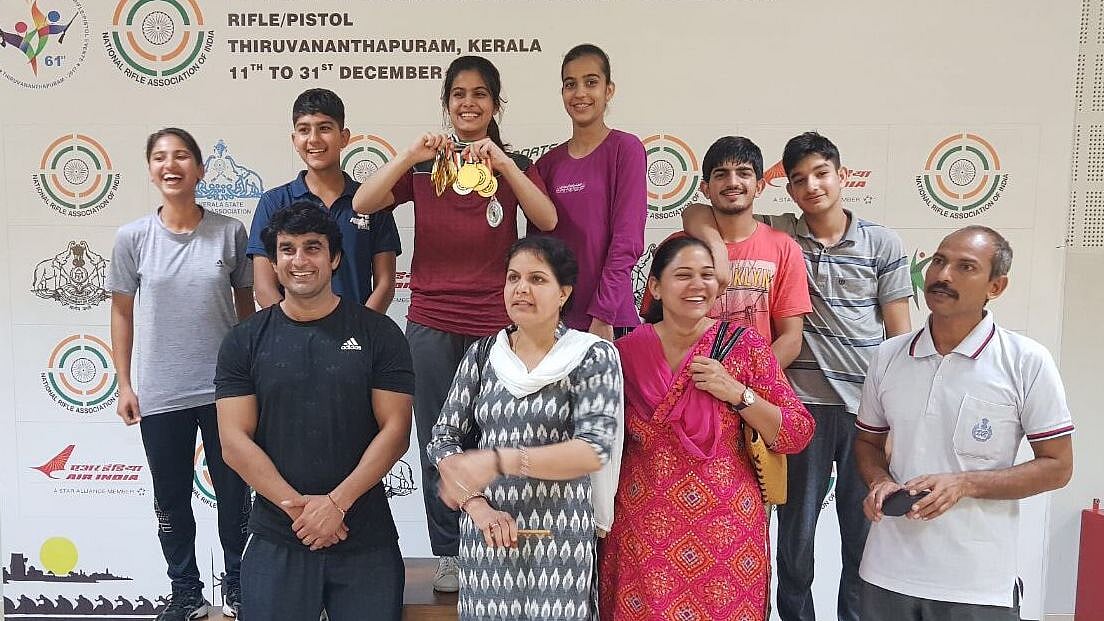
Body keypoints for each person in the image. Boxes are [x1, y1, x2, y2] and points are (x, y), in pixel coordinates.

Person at [352, 55, 558, 591]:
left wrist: (506, 165)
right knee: (437, 440)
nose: (469, 103)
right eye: (459, 94)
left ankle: (497, 541)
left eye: (481, 94)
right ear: (447, 104)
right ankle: (448, 550)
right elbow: (363, 200)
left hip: (497, 325)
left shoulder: (510, 164)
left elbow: (548, 219)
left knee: (499, 436)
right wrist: (409, 155)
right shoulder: (426, 167)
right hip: (431, 322)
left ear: (495, 104)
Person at [854, 226, 1074, 620]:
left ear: (996, 285)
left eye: (965, 267)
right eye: (938, 261)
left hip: (977, 584)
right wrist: (878, 481)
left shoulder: (1025, 361)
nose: (943, 275)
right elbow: (867, 443)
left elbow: (1058, 467)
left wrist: (965, 484)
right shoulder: (888, 356)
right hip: (885, 575)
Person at [215, 202, 414, 621]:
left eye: (313, 248)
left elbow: (395, 431)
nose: (300, 260)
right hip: (277, 537)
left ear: (334, 257)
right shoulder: (244, 340)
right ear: (273, 261)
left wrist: (337, 505)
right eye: (287, 249)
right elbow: (234, 443)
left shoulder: (379, 333)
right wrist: (302, 511)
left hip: (366, 540)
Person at [601, 236, 815, 621]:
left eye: (707, 276)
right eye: (683, 275)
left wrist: (739, 393)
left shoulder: (743, 346)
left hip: (727, 533)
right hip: (646, 534)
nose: (698, 285)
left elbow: (796, 432)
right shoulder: (624, 354)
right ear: (655, 287)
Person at [751, 132, 913, 621]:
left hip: (866, 414)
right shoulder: (781, 236)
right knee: (795, 536)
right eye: (798, 180)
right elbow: (704, 217)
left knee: (861, 534)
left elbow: (900, 336)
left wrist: (894, 417)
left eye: (820, 174)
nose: (811, 186)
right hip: (801, 408)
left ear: (841, 176)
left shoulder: (882, 243)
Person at [426, 235, 621, 620]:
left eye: (537, 279)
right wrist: (476, 505)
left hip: (561, 540)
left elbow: (593, 449)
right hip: (488, 537)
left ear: (564, 292)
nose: (521, 289)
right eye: (513, 278)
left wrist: (499, 461)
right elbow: (442, 440)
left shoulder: (591, 355)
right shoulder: (484, 354)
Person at [107, 128, 253, 620]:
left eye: (183, 156)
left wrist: (255, 380)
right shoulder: (132, 238)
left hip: (225, 392)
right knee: (170, 499)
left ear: (201, 169)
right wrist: (125, 384)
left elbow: (247, 311)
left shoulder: (231, 232)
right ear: (150, 169)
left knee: (235, 496)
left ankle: (238, 587)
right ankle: (185, 593)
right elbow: (123, 314)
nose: (172, 166)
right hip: (161, 389)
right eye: (161, 158)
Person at [660, 135, 811, 368]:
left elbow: (790, 339)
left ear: (760, 186)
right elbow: (658, 328)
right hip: (686, 388)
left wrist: (741, 383)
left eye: (743, 173)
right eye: (721, 174)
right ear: (705, 188)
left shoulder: (784, 248)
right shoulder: (677, 247)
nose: (733, 182)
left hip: (752, 394)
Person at [248, 88, 401, 312]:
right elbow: (263, 288)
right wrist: (294, 330)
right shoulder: (274, 202)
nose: (313, 139)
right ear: (294, 139)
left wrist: (361, 329)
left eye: (324, 128)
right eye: (304, 130)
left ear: (344, 137)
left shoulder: (373, 201)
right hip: (292, 338)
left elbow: (385, 285)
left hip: (357, 336)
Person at [534, 43, 646, 340]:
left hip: (609, 320)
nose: (580, 93)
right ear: (562, 93)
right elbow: (538, 252)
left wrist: (603, 312)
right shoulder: (546, 165)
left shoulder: (626, 149)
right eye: (570, 84)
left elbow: (628, 241)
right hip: (556, 320)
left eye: (591, 82)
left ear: (609, 90)